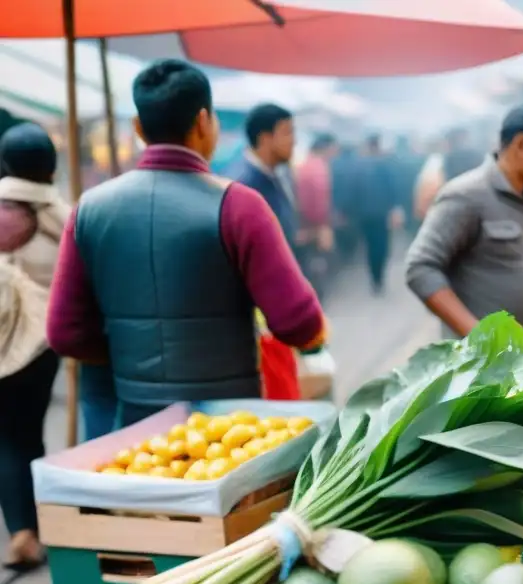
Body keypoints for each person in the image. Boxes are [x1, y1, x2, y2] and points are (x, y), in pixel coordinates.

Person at [46, 59, 327, 426]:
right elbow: (299, 323)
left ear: (138, 127)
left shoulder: (89, 210)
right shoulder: (239, 206)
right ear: (203, 122)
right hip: (227, 431)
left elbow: (65, 334)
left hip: (133, 425)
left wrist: (129, 353)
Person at [405, 104, 523, 353]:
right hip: (487, 369)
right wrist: (480, 338)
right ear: (521, 144)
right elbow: (420, 268)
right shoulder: (467, 196)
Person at [0, 123, 69, 569]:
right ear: (51, 167)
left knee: (5, 436)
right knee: (29, 433)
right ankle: (36, 527)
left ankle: (21, 529)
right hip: (42, 348)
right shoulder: (63, 216)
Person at [232, 103, 298, 248]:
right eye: (288, 133)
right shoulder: (244, 185)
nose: (294, 141)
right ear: (265, 138)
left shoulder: (280, 173)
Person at [348, 134, 402, 294]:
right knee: (382, 245)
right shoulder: (384, 165)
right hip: (381, 214)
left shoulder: (358, 166)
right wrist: (394, 209)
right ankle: (379, 276)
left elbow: (353, 192)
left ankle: (374, 277)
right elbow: (393, 190)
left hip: (364, 215)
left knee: (370, 245)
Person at [294, 133, 338, 297]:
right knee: (316, 263)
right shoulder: (318, 168)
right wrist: (323, 225)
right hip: (314, 225)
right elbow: (319, 201)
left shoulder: (304, 165)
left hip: (304, 223)